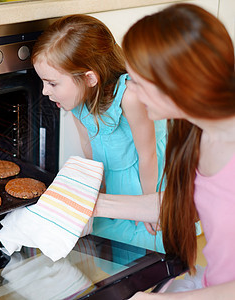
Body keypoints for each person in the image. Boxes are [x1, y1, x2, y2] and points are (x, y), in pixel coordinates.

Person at [99, 3, 235, 298]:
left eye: (138, 81)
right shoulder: (196, 133)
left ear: (177, 83)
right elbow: (184, 204)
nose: (131, 90)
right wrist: (92, 206)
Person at [31, 14, 167, 253]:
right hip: (112, 179)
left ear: (90, 78)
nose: (44, 91)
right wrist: (97, 188)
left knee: (145, 243)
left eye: (52, 84)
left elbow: (148, 156)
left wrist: (149, 207)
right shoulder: (75, 100)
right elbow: (88, 146)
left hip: (146, 179)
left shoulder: (130, 97)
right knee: (114, 244)